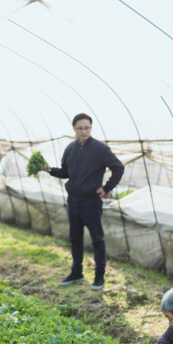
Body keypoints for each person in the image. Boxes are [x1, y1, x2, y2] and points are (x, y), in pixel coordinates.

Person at [44, 113, 124, 289]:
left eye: (86, 127)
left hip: (91, 202)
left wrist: (107, 188)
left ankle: (99, 276)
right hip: (73, 201)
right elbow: (66, 172)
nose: (83, 131)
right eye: (80, 128)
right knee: (75, 239)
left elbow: (118, 167)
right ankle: (76, 272)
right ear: (74, 129)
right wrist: (50, 170)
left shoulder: (100, 149)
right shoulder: (70, 149)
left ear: (91, 128)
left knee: (97, 239)